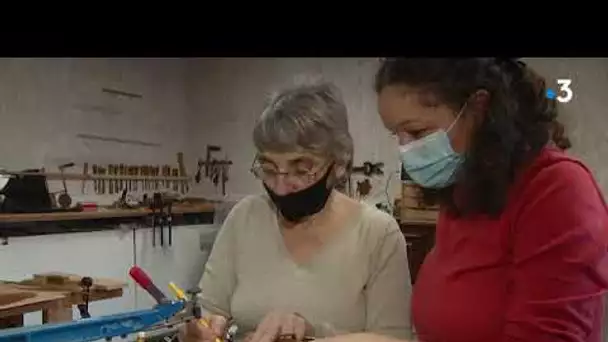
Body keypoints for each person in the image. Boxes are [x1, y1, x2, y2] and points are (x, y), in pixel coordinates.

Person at [315, 58, 608, 342]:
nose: (405, 150)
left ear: (478, 109)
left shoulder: (556, 191)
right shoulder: (464, 196)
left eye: (417, 132)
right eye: (397, 135)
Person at [179, 80, 413, 342]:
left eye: (301, 170)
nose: (281, 187)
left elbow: (394, 339)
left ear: (339, 163)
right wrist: (201, 329)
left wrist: (312, 335)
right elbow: (209, 309)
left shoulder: (378, 234)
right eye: (268, 169)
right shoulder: (245, 218)